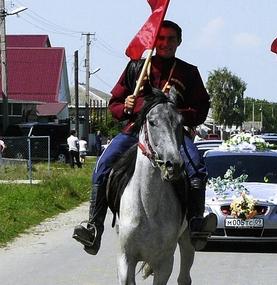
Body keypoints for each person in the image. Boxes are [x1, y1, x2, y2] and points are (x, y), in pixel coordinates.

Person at [72, 20, 216, 255]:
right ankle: (94, 227)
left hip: (172, 134)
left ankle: (196, 224)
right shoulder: (135, 68)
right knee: (102, 164)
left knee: (197, 167)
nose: (166, 43)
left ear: (179, 42)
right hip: (135, 132)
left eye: (171, 39)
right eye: (161, 38)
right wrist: (127, 107)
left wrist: (173, 115)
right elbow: (114, 105)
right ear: (154, 40)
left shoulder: (189, 72)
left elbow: (201, 110)